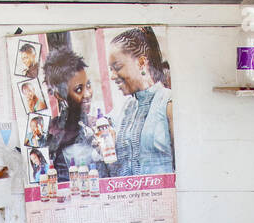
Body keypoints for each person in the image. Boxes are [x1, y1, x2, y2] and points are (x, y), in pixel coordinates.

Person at [108, 27, 174, 176]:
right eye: (110, 69)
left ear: (141, 62)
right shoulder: (125, 109)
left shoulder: (168, 103)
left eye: (117, 67)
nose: (112, 76)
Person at [43, 46, 105, 185]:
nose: (87, 94)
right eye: (78, 89)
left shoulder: (100, 124)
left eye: (88, 85)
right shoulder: (55, 135)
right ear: (59, 96)